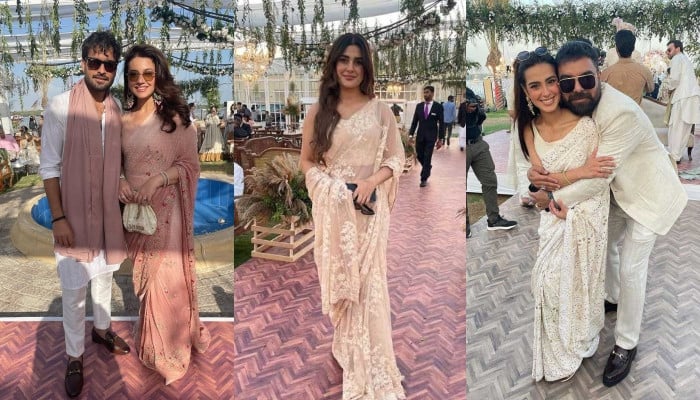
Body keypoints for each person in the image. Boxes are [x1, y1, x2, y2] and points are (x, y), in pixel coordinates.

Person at [529, 40, 687, 387]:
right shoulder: (575, 105)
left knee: (631, 268)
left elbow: (599, 176)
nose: (577, 88)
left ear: (599, 74)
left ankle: (626, 344)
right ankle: (613, 299)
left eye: (586, 79)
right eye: (567, 82)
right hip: (618, 195)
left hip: (649, 195)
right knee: (605, 244)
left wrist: (550, 196)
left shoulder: (619, 112)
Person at [300, 32, 406, 399]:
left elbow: (396, 158)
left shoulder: (380, 111)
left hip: (370, 212)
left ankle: (372, 362)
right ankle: (347, 343)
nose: (350, 67)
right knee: (345, 283)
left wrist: (371, 181)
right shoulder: (319, 111)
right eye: (344, 60)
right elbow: (306, 161)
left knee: (370, 286)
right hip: (335, 210)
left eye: (358, 61)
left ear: (366, 68)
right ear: (334, 64)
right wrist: (331, 188)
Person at [514, 47, 618, 382]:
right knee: (544, 285)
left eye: (551, 81)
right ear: (525, 91)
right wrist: (560, 180)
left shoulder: (587, 127)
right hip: (550, 221)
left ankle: (577, 343)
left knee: (570, 285)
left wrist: (560, 187)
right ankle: (556, 350)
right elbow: (535, 185)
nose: (545, 92)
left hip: (581, 219)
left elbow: (598, 182)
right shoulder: (527, 128)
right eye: (535, 85)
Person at [38, 31, 129, 399]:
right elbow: (49, 168)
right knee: (74, 292)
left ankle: (101, 330)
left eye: (109, 64)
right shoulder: (61, 107)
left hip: (106, 216)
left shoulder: (117, 110)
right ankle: (74, 356)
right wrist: (58, 218)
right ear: (83, 63)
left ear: (115, 69)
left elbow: (117, 161)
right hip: (73, 219)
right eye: (95, 62)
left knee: (104, 279)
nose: (102, 69)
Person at [118, 44, 210, 384]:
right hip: (136, 215)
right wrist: (119, 181)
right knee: (146, 282)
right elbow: (112, 166)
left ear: (158, 76)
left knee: (166, 281)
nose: (140, 80)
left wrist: (158, 179)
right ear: (127, 79)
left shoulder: (175, 121)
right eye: (133, 74)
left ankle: (168, 349)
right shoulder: (121, 122)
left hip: (168, 212)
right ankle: (152, 342)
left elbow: (190, 166)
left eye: (147, 73)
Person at [461, 88, 518, 235]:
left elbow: (480, 118)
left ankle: (494, 219)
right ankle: (464, 225)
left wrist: (476, 109)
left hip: (478, 144)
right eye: (470, 105)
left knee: (490, 180)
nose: (472, 107)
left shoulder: (470, 94)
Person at [665, 39, 700, 163]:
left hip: (682, 97)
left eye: (669, 49)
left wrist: (669, 89)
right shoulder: (686, 59)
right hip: (692, 96)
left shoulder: (677, 58)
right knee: (684, 129)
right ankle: (677, 156)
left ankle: (674, 157)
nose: (667, 52)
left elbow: (674, 79)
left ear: (678, 49)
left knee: (676, 127)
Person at [600, 30, 654, 104]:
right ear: (633, 48)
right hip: (635, 110)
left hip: (613, 110)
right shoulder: (645, 71)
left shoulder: (606, 73)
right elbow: (650, 89)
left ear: (616, 48)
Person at [408, 85, 445, 187]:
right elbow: (414, 122)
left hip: (431, 137)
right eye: (424, 92)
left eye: (427, 92)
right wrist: (410, 135)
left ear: (432, 93)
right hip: (420, 136)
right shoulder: (419, 106)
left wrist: (441, 139)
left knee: (428, 156)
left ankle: (423, 178)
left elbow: (442, 123)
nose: (425, 94)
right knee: (419, 155)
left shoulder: (438, 107)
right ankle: (427, 167)